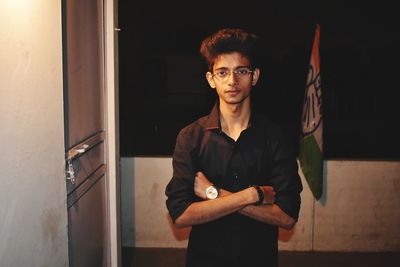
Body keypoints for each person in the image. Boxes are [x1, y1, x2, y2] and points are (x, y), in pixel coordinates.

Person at [165, 28, 302, 267]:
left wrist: (215, 194)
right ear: (211, 79)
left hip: (259, 260)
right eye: (222, 72)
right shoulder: (190, 137)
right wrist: (253, 196)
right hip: (205, 260)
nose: (232, 81)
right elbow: (180, 214)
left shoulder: (276, 138)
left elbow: (287, 216)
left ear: (255, 77)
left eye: (241, 71)